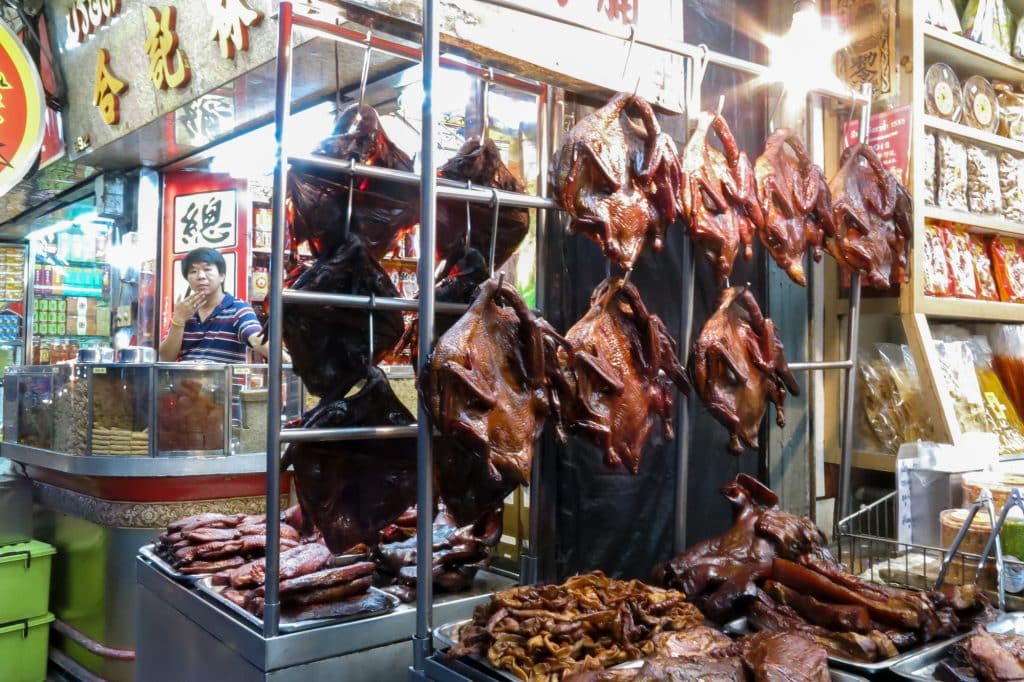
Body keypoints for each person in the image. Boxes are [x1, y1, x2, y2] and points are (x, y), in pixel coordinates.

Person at [158, 248, 286, 363]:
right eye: (193, 271)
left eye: (207, 269)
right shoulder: (184, 310)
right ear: (187, 278)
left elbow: (257, 339)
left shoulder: (238, 309)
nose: (201, 276)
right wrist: (178, 321)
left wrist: (291, 362)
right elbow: (165, 358)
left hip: (226, 388)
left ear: (222, 276)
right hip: (185, 387)